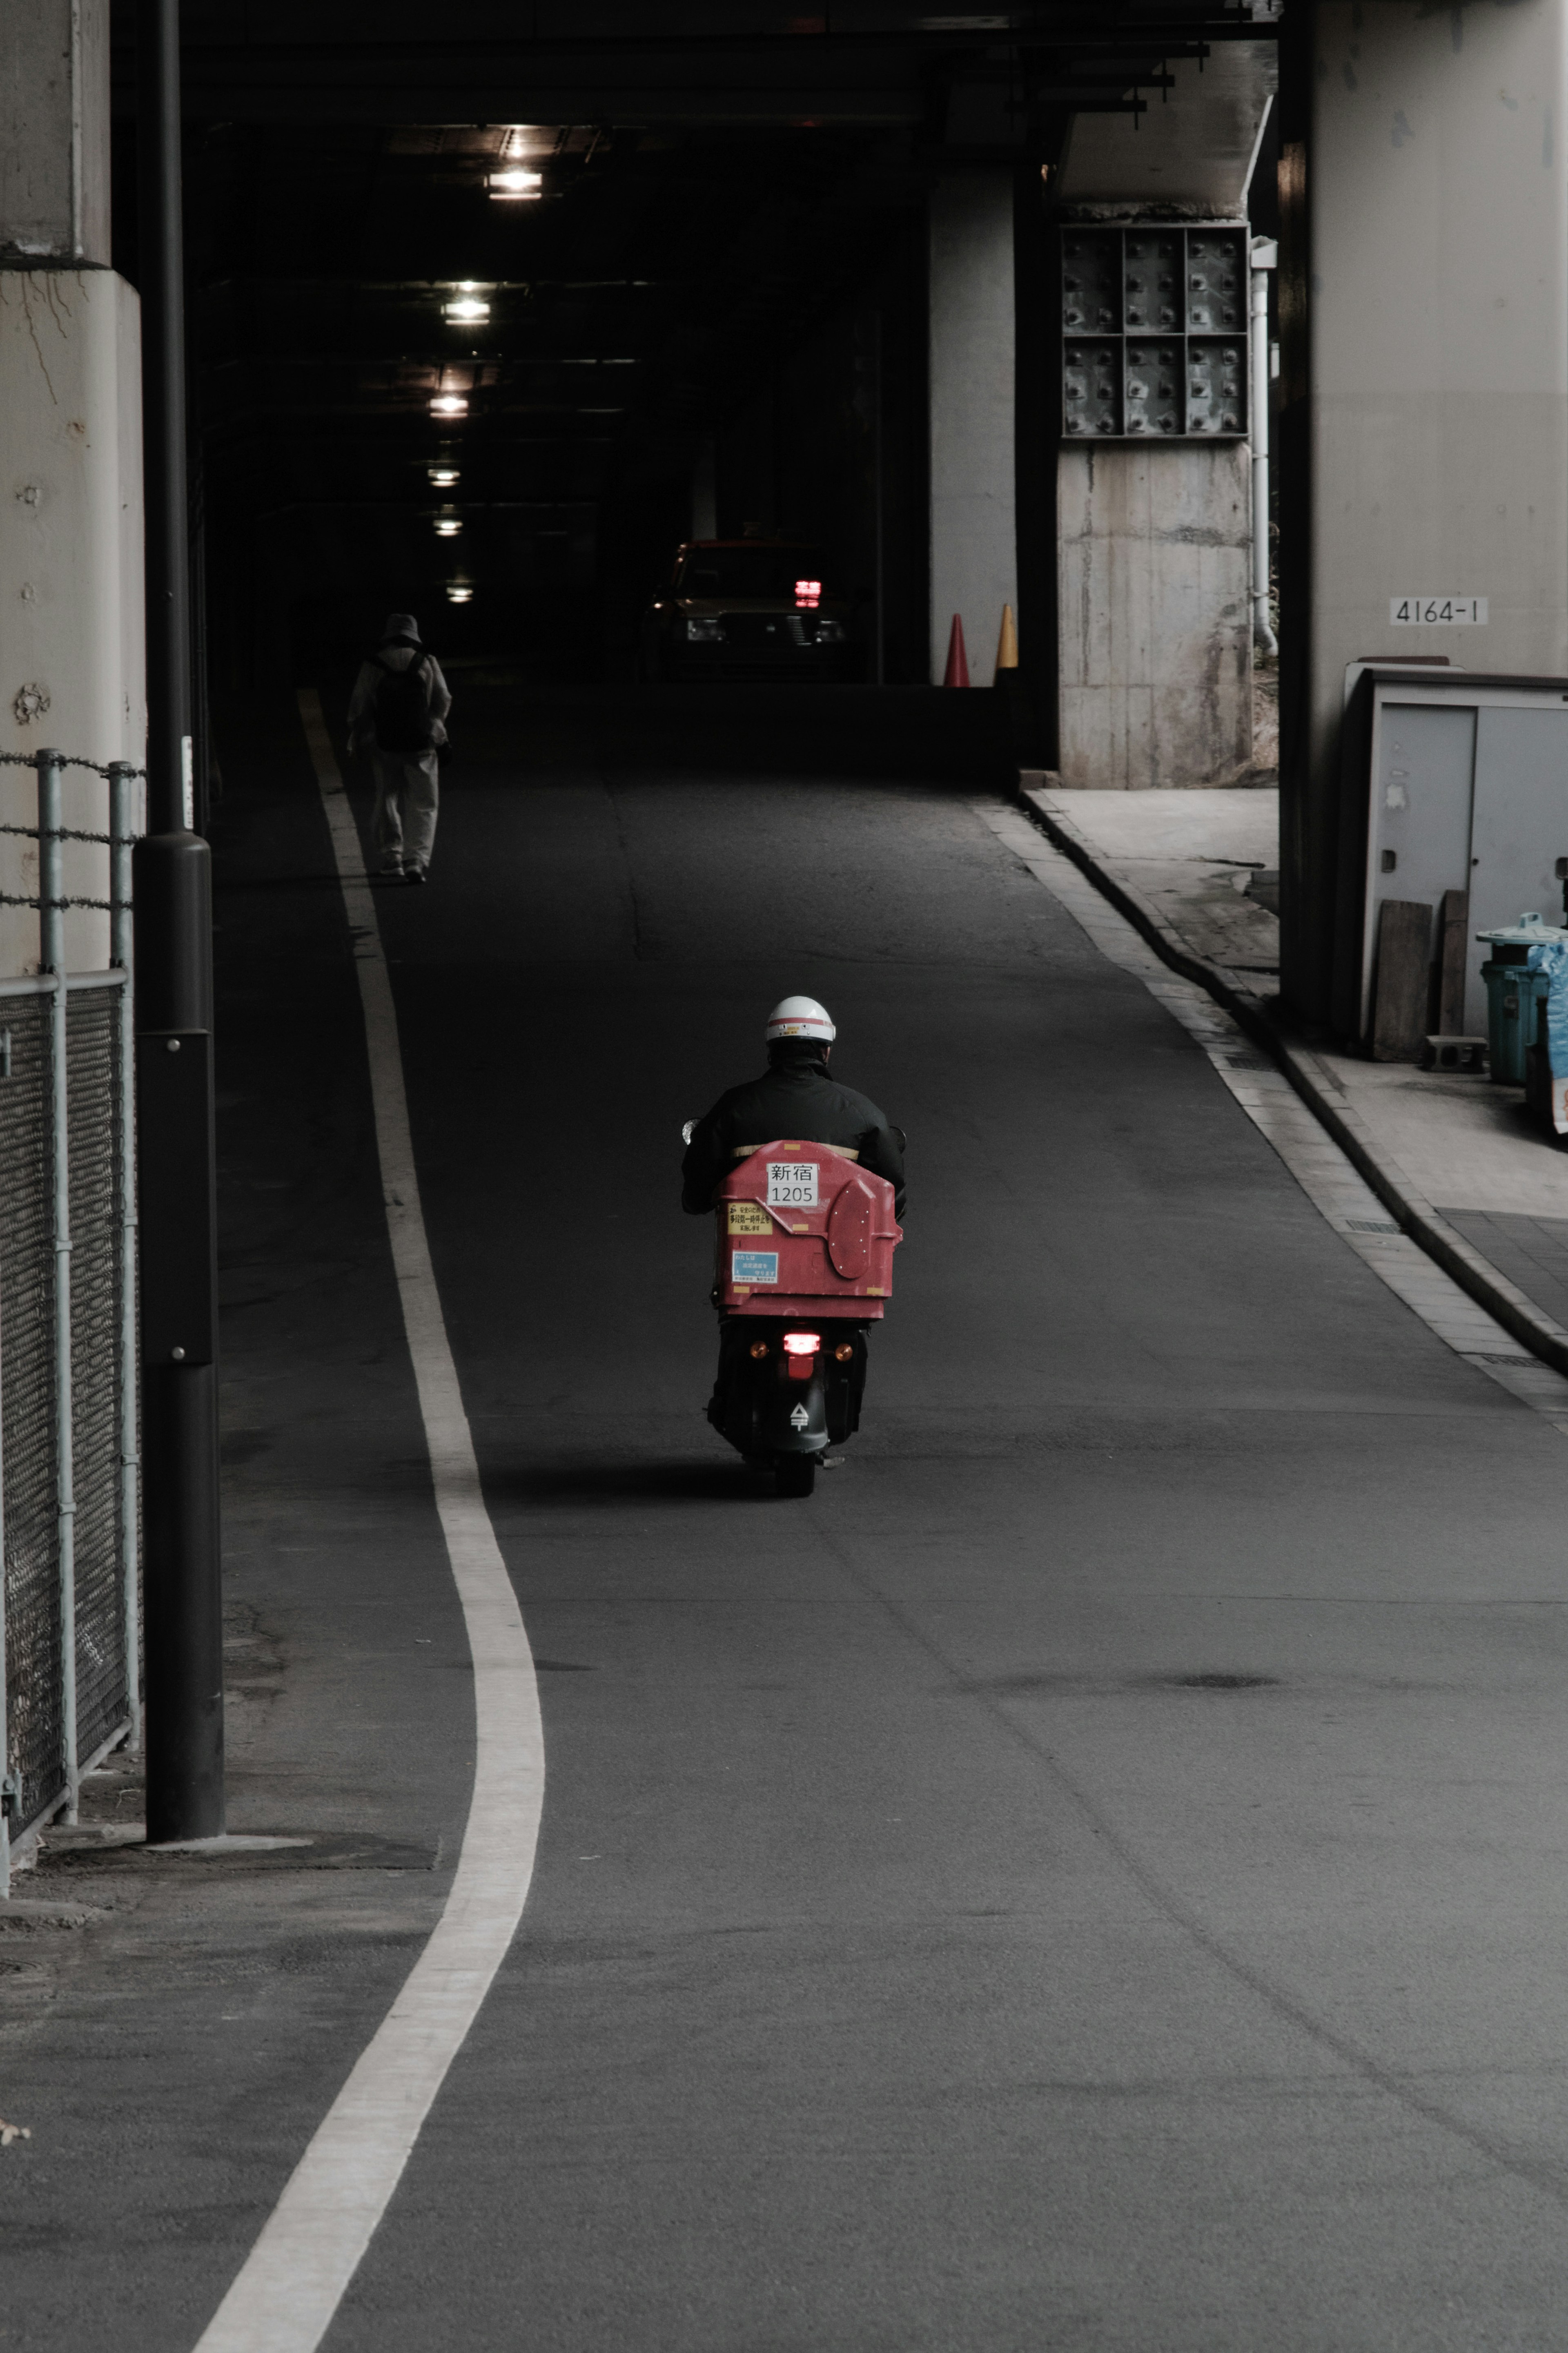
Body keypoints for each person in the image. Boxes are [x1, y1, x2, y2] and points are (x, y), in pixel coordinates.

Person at [681, 995, 905, 1217]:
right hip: (835, 1249)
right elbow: (893, 1204)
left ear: (772, 1050)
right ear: (826, 1051)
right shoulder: (862, 1113)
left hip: (747, 1245)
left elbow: (696, 1198)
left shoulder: (732, 1106)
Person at [346, 613, 452, 884]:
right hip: (422, 744)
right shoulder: (426, 662)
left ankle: (392, 856)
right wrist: (436, 729)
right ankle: (416, 859)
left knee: (387, 797)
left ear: (389, 635)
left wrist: (358, 739)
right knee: (424, 803)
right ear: (413, 636)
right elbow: (443, 699)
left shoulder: (374, 665)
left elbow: (361, 707)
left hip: (386, 745)